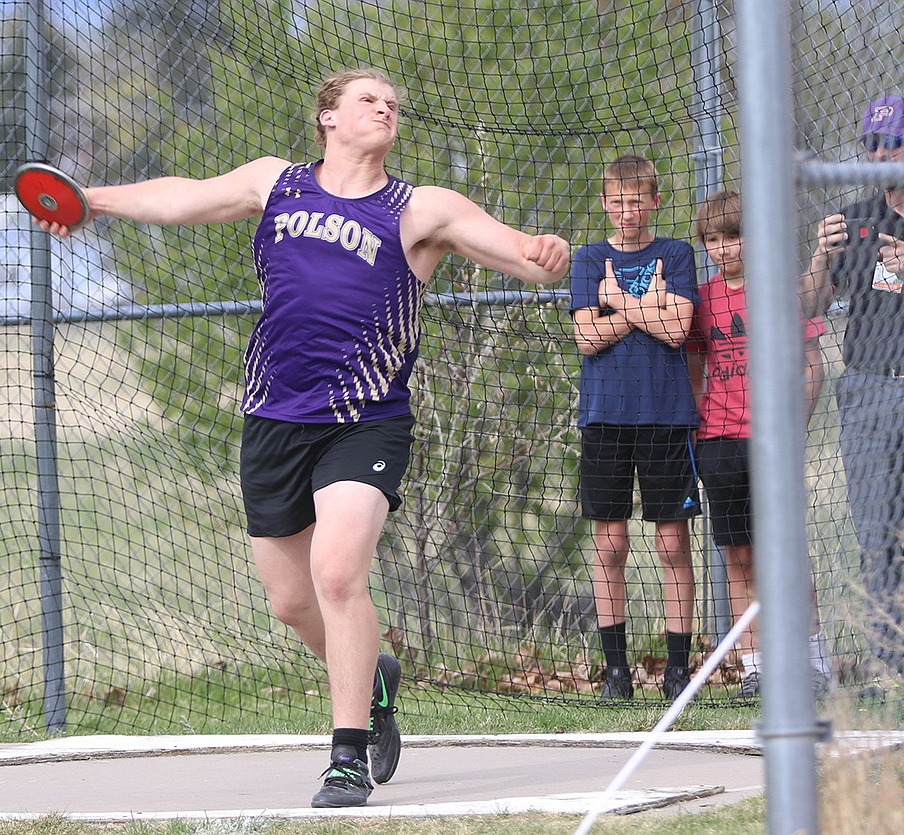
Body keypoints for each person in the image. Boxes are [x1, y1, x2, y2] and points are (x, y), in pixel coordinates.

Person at [35, 68, 571, 806]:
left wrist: (545, 252)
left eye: (392, 103)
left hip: (366, 418)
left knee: (340, 571)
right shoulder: (275, 183)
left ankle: (346, 755)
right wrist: (91, 201)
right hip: (274, 417)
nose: (385, 108)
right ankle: (373, 678)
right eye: (368, 99)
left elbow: (520, 254)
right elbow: (183, 196)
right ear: (328, 117)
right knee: (291, 601)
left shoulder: (418, 208)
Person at [805, 94, 904, 692]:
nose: (883, 155)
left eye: (894, 142)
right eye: (872, 145)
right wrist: (820, 256)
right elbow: (806, 308)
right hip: (866, 395)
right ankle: (897, 666)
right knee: (876, 537)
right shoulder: (856, 219)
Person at [686, 189, 833, 701]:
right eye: (714, 239)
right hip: (720, 445)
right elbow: (693, 367)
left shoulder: (776, 290)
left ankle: (813, 665)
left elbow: (812, 361)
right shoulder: (700, 300)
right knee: (740, 558)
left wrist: (791, 426)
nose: (725, 248)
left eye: (735, 236)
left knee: (786, 555)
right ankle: (756, 667)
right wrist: (701, 425)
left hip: (770, 446)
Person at [569, 154, 700, 702]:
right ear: (605, 203)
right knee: (610, 545)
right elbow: (586, 339)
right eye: (618, 201)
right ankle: (616, 672)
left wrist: (616, 305)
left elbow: (677, 330)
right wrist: (642, 308)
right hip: (606, 418)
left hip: (666, 417)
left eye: (637, 201)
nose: (627, 211)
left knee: (671, 542)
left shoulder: (676, 254)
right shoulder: (588, 259)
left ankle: (676, 670)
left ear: (654, 201)